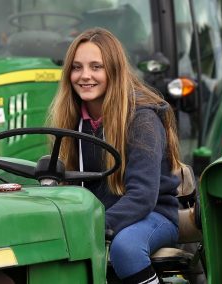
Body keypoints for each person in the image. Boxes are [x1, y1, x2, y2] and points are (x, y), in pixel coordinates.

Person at [47, 27, 181, 284]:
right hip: (98, 217)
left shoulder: (142, 119)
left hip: (152, 215)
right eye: (77, 67)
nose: (85, 76)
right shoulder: (70, 120)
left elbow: (142, 196)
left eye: (96, 67)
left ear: (114, 71)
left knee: (126, 248)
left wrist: (92, 225)